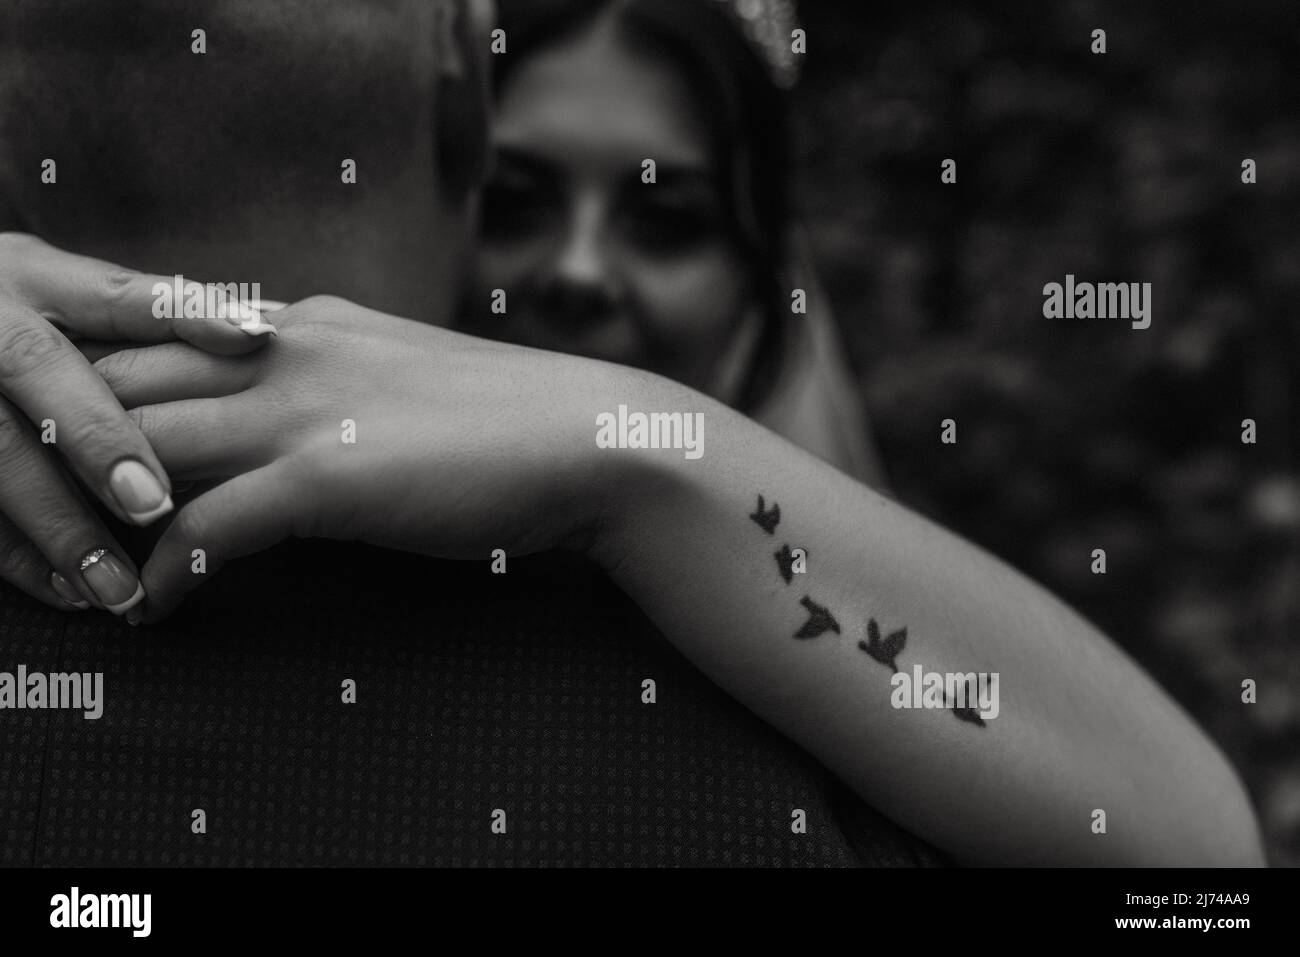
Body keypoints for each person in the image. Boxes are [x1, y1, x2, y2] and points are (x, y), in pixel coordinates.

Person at [0, 0, 1264, 866]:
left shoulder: (861, 717)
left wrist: (650, 449)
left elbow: (1195, 863)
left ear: (763, 284)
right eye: (528, 198)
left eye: (666, 219)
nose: (578, 272)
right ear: (464, 124)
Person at [463, 0, 888, 484]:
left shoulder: (801, 555)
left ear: (753, 276)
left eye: (664, 221)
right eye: (512, 204)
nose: (579, 272)